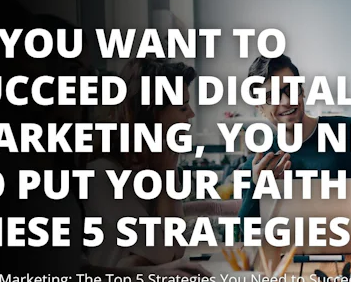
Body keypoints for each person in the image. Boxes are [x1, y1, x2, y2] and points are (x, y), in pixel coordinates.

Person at [236, 54, 351, 234]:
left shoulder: (350, 132)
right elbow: (248, 232)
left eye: (290, 89)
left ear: (302, 91)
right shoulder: (260, 165)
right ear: (260, 107)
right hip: (290, 263)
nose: (286, 101)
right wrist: (256, 186)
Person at [83, 57, 239, 268]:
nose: (191, 114)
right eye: (183, 108)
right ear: (153, 114)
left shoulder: (154, 163)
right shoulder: (103, 174)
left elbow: (176, 249)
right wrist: (167, 171)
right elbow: (166, 252)